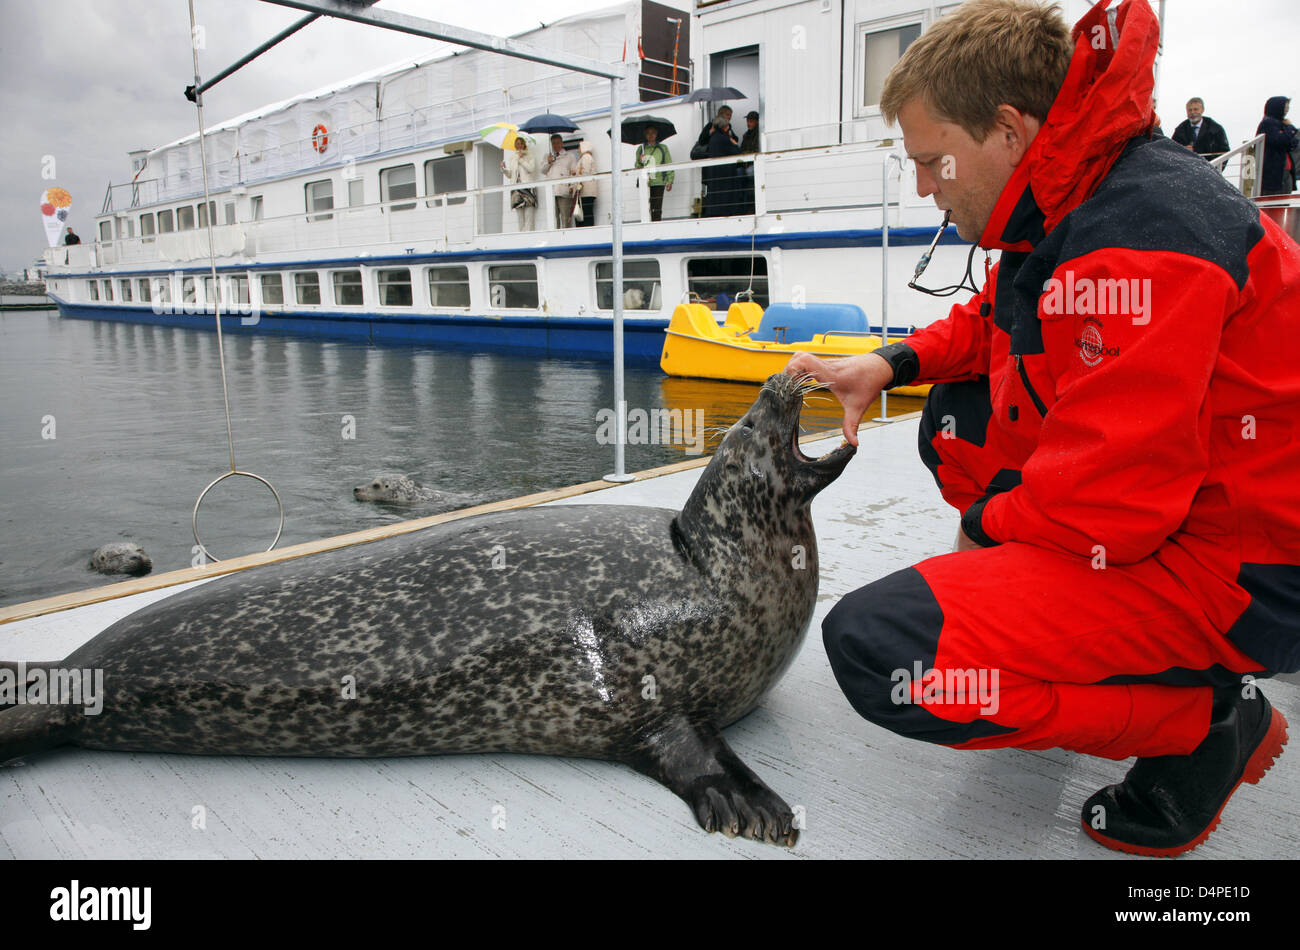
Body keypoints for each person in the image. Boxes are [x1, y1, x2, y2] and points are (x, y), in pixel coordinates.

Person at [787, 0, 1299, 858]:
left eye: (931, 161)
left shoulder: (1138, 237)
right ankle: (1083, 648)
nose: (925, 186)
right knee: (957, 414)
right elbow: (1000, 318)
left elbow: (1108, 513)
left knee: (890, 651)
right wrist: (891, 364)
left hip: (1241, 572)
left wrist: (988, 535)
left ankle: (1204, 720)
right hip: (1197, 516)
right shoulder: (1084, 190)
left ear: (1010, 129)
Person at [1257, 96, 1297, 195]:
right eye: (1285, 107)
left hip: (1284, 172)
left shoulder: (1280, 124)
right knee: (1274, 204)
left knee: (1282, 203)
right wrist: (1290, 128)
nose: (1287, 110)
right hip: (1274, 174)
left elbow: (1293, 143)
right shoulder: (1268, 124)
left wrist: (1288, 131)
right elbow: (1281, 140)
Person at [702, 115, 741, 217]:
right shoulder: (724, 139)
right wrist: (734, 143)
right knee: (725, 195)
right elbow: (737, 152)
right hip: (725, 172)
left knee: (716, 194)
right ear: (724, 127)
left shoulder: (713, 138)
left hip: (714, 172)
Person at [635, 125, 674, 222]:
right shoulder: (641, 149)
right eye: (648, 133)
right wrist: (640, 160)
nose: (650, 135)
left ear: (657, 134)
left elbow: (668, 163)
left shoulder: (663, 148)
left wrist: (670, 180)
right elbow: (637, 166)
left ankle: (656, 229)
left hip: (659, 181)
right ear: (645, 135)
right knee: (645, 208)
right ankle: (647, 229)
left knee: (656, 209)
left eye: (653, 132)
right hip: (645, 182)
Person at [502, 136, 539, 231]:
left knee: (529, 216)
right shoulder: (512, 158)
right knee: (520, 217)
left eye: (521, 143)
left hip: (527, 187)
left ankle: (530, 236)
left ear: (524, 145)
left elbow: (531, 169)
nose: (519, 145)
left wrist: (521, 160)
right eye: (517, 144)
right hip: (516, 188)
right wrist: (503, 169)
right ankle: (522, 236)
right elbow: (511, 175)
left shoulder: (530, 156)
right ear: (515, 145)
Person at [542, 133, 578, 228]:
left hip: (564, 190)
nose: (555, 145)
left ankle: (567, 238)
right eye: (553, 143)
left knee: (565, 217)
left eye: (558, 143)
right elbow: (543, 171)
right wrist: (549, 162)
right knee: (553, 217)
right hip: (552, 191)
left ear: (562, 143)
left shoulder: (569, 156)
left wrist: (572, 186)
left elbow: (574, 173)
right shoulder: (548, 156)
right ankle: (555, 238)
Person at [738, 110, 760, 214]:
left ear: (757, 122)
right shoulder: (746, 135)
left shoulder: (759, 134)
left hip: (755, 164)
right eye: (748, 121)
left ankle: (749, 206)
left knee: (746, 173)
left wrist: (745, 154)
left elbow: (756, 150)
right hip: (747, 164)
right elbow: (742, 149)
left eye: (750, 121)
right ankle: (743, 205)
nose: (748, 123)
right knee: (739, 173)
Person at [572, 140, 597, 227]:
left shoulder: (586, 157)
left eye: (579, 147)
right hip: (586, 192)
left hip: (586, 191)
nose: (578, 150)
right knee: (586, 213)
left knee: (586, 214)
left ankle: (586, 230)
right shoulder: (586, 157)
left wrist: (577, 172)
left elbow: (585, 172)